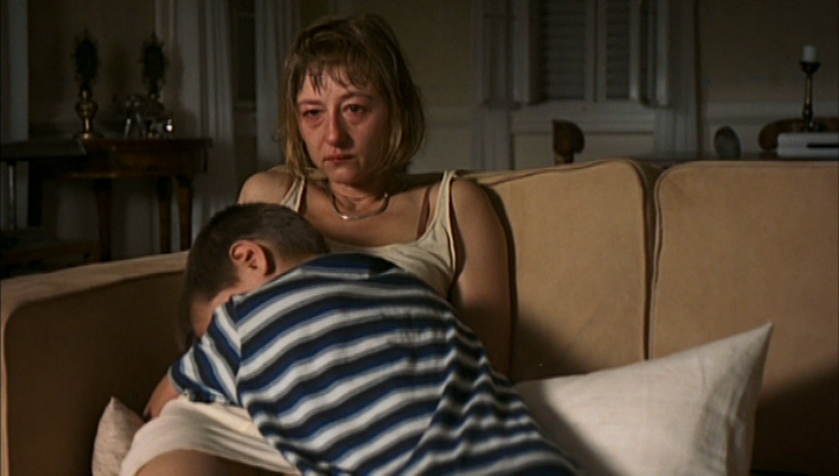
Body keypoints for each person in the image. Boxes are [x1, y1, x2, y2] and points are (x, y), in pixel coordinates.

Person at [127, 13, 512, 475]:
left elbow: (491, 367)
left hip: (392, 426)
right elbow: (229, 330)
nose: (333, 136)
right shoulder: (271, 196)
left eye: (355, 109)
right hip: (258, 420)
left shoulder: (457, 206)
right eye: (312, 113)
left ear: (396, 109)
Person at [128, 203, 578, 475]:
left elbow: (158, 406)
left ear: (250, 258)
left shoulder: (240, 320)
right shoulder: (405, 285)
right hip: (528, 460)